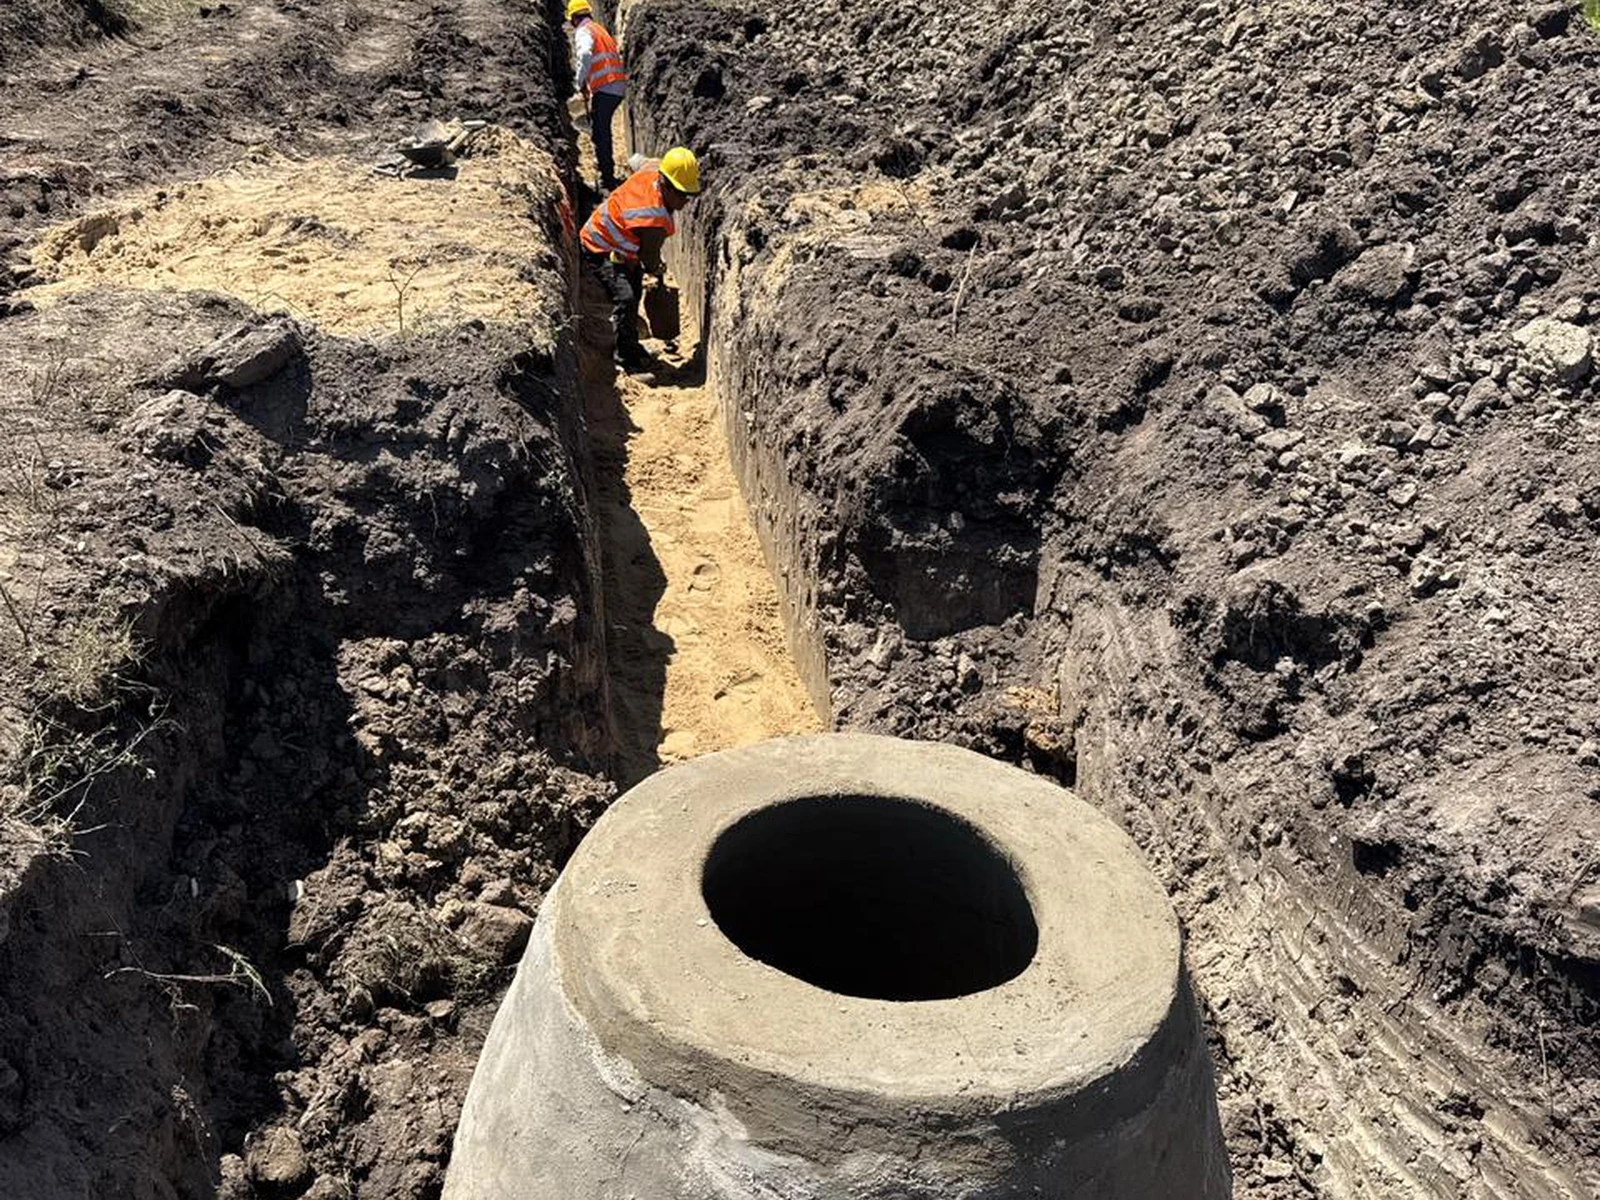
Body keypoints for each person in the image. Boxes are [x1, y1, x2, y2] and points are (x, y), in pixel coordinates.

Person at [580, 147, 702, 370]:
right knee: (626, 297)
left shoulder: (654, 170)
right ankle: (625, 357)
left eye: (689, 194)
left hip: (619, 241)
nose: (686, 200)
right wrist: (657, 271)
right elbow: (649, 257)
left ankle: (631, 341)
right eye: (682, 194)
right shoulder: (653, 219)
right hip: (599, 245)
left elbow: (639, 161)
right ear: (665, 184)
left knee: (635, 286)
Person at [567, 0, 627, 192]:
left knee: (600, 132)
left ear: (574, 19)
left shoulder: (584, 32)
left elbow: (584, 55)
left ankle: (607, 179)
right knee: (600, 128)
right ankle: (606, 172)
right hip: (614, 86)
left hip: (607, 87)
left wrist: (580, 82)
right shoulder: (598, 28)